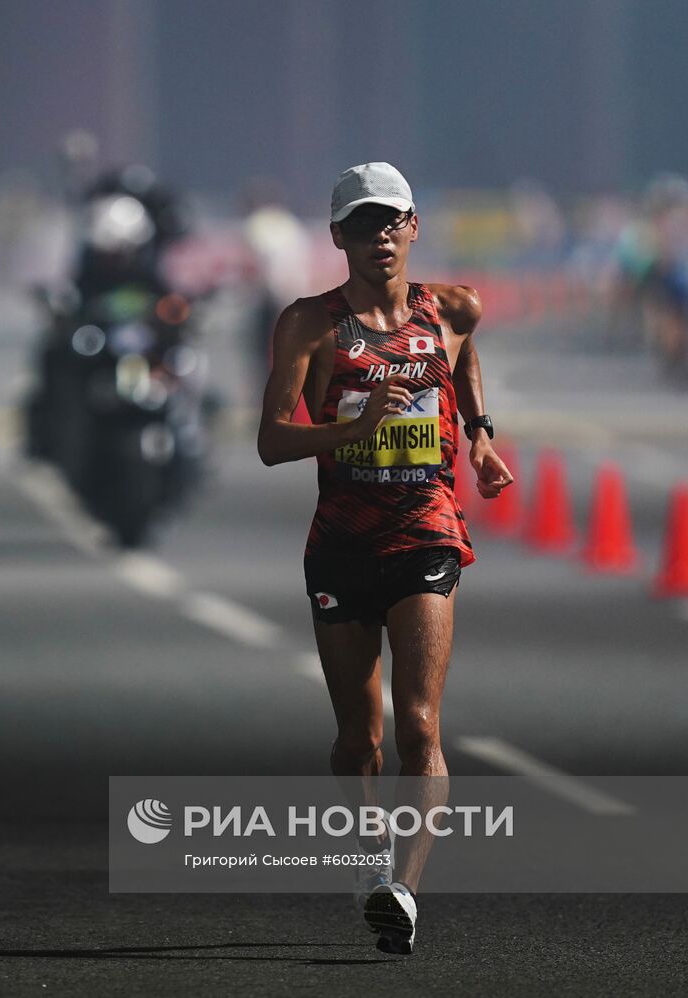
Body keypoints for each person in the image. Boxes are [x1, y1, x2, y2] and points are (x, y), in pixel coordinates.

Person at [256, 162, 514, 955]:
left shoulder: (454, 308)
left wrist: (480, 437)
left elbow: (463, 361)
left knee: (421, 724)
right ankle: (368, 865)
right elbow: (271, 442)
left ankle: (403, 889)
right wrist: (351, 432)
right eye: (362, 226)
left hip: (426, 529)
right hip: (342, 541)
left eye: (391, 222)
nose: (379, 238)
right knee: (358, 738)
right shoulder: (309, 324)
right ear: (337, 237)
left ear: (413, 228)